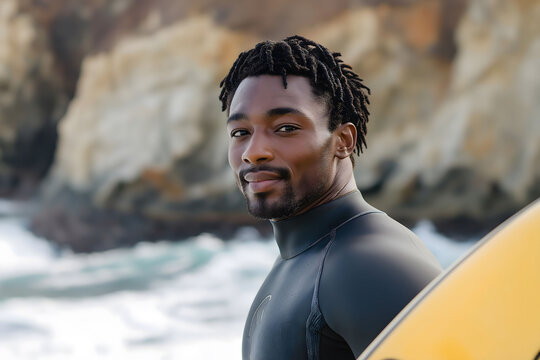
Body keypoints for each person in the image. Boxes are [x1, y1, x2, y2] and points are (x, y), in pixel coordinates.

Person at [219, 35, 442, 360]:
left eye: (285, 128)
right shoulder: (305, 260)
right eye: (241, 133)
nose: (254, 153)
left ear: (343, 141)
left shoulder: (368, 266)